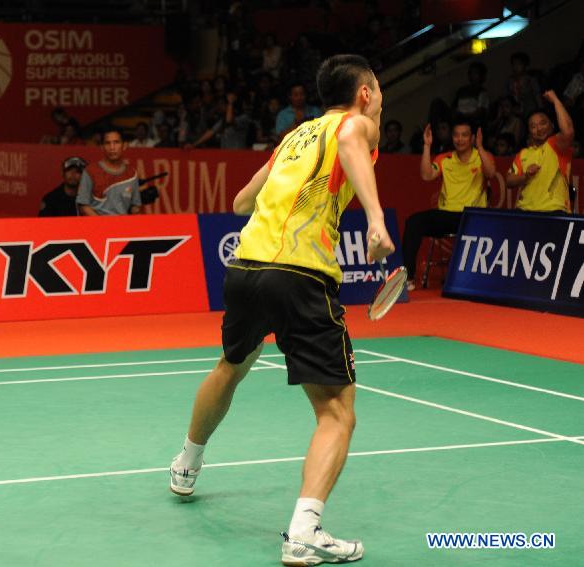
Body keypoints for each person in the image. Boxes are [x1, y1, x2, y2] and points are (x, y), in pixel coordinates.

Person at [168, 54, 395, 566]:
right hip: (299, 274)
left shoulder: (294, 137)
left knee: (232, 366)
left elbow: (243, 201)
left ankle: (186, 463)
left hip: (246, 267)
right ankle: (304, 531)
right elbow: (353, 141)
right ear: (364, 93)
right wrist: (376, 220)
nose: (380, 98)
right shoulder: (355, 125)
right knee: (337, 413)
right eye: (378, 89)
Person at [401, 119, 496, 289]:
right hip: (446, 214)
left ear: (472, 138)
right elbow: (426, 175)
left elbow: (491, 173)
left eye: (464, 135)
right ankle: (408, 278)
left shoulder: (482, 156)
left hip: (471, 216)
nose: (460, 139)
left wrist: (480, 147)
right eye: (456, 135)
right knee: (414, 221)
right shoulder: (445, 158)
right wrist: (427, 146)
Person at [506, 90, 575, 213]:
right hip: (524, 210)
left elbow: (568, 130)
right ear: (529, 132)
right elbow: (509, 180)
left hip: (554, 210)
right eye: (533, 126)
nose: (538, 129)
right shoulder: (524, 153)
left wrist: (555, 100)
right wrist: (526, 176)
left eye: (543, 123)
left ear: (552, 125)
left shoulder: (557, 145)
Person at [77, 129, 142, 216]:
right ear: (102, 147)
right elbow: (83, 205)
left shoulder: (132, 173)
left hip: (123, 227)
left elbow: (135, 207)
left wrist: (137, 210)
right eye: (107, 143)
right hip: (97, 227)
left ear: (124, 145)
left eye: (116, 142)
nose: (112, 147)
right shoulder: (90, 171)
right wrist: (103, 225)